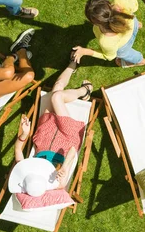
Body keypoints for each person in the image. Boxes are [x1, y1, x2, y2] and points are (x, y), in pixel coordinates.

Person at [9, 62, 93, 196]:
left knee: (57, 88)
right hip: (67, 137)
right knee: (56, 96)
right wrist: (65, 167)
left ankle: (72, 64)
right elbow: (72, 150)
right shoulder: (58, 183)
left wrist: (24, 134)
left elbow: (18, 149)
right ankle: (85, 91)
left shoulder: (25, 172)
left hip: (44, 133)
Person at [72, 0, 145, 68]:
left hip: (123, 47)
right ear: (108, 3)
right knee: (136, 23)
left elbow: (109, 56)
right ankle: (138, 26)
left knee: (133, 57)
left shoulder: (106, 42)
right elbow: (133, 2)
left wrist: (85, 51)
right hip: (133, 25)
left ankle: (140, 62)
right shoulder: (120, 4)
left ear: (94, 22)